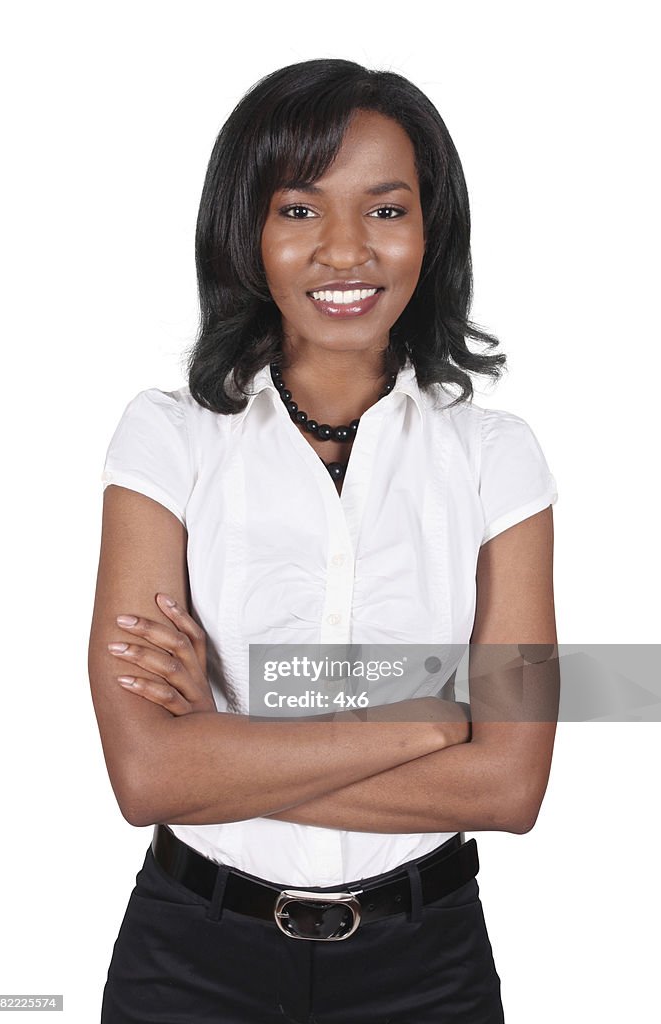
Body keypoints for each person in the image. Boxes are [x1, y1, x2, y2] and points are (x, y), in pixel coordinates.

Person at [89, 58, 559, 1024]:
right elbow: (147, 777)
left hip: (426, 968)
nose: (345, 249)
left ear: (431, 231)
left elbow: (511, 784)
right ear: (247, 232)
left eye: (386, 211)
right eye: (298, 210)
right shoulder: (166, 436)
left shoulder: (496, 459)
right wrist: (428, 714)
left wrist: (229, 734)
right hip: (192, 959)